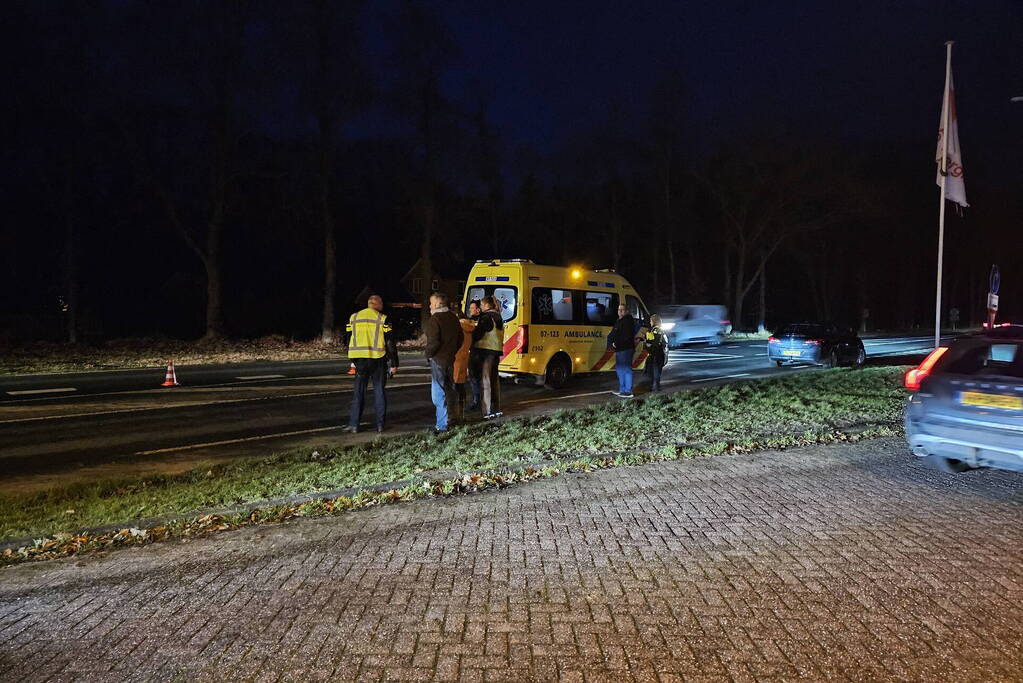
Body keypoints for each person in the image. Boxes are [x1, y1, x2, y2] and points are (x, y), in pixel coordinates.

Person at [343, 295, 398, 433]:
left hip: (359, 360)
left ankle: (354, 425)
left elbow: (348, 339)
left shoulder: (354, 317)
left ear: (368, 304)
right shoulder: (383, 319)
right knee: (379, 391)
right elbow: (390, 343)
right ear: (378, 304)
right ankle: (380, 425)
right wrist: (394, 363)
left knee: (358, 392)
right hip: (377, 359)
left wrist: (352, 361)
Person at [423, 291, 463, 433]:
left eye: (431, 303)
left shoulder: (435, 320)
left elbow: (433, 342)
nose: (429, 306)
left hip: (438, 360)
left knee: (438, 393)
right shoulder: (453, 318)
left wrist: (428, 354)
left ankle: (441, 424)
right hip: (450, 359)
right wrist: (452, 351)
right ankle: (454, 417)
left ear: (437, 304)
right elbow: (460, 339)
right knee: (450, 389)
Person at [471, 295, 505, 419]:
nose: (480, 307)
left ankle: (487, 410)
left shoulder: (486, 317)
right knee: (494, 380)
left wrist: (471, 336)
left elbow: (478, 334)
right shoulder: (498, 316)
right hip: (496, 352)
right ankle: (496, 408)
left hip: (485, 353)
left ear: (486, 305)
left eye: (481, 304)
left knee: (485, 381)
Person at [609, 303, 641, 398]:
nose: (620, 311)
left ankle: (628, 391)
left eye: (622, 310)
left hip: (625, 349)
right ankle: (622, 390)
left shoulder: (627, 321)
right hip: (620, 349)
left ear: (627, 311)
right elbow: (615, 333)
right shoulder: (620, 320)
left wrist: (616, 343)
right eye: (619, 310)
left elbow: (625, 336)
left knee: (626, 370)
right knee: (620, 370)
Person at [453, 307, 476, 422]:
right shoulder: (469, 326)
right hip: (464, 358)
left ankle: (456, 414)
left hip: (456, 358)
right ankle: (461, 412)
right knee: (461, 386)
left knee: (455, 387)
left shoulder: (458, 327)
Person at [465, 299, 483, 409]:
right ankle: (477, 400)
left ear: (478, 309)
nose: (470, 310)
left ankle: (477, 401)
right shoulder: (471, 320)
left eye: (472, 308)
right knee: (474, 378)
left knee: (475, 378)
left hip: (478, 352)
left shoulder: (481, 320)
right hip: (474, 351)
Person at [644, 314, 668, 392]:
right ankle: (655, 387)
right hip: (658, 354)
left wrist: (648, 344)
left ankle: (655, 388)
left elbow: (654, 342)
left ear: (654, 321)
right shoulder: (658, 330)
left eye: (651, 321)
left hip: (656, 354)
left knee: (655, 372)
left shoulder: (656, 330)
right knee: (655, 371)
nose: (650, 322)